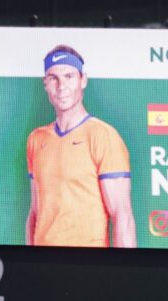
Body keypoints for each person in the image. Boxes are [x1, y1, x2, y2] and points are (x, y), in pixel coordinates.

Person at [25, 45, 137, 249]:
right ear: (45, 84)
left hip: (88, 264)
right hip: (43, 265)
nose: (61, 86)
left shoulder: (103, 135)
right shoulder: (36, 139)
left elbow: (122, 215)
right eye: (53, 78)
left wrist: (126, 274)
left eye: (69, 76)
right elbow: (35, 212)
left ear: (82, 80)